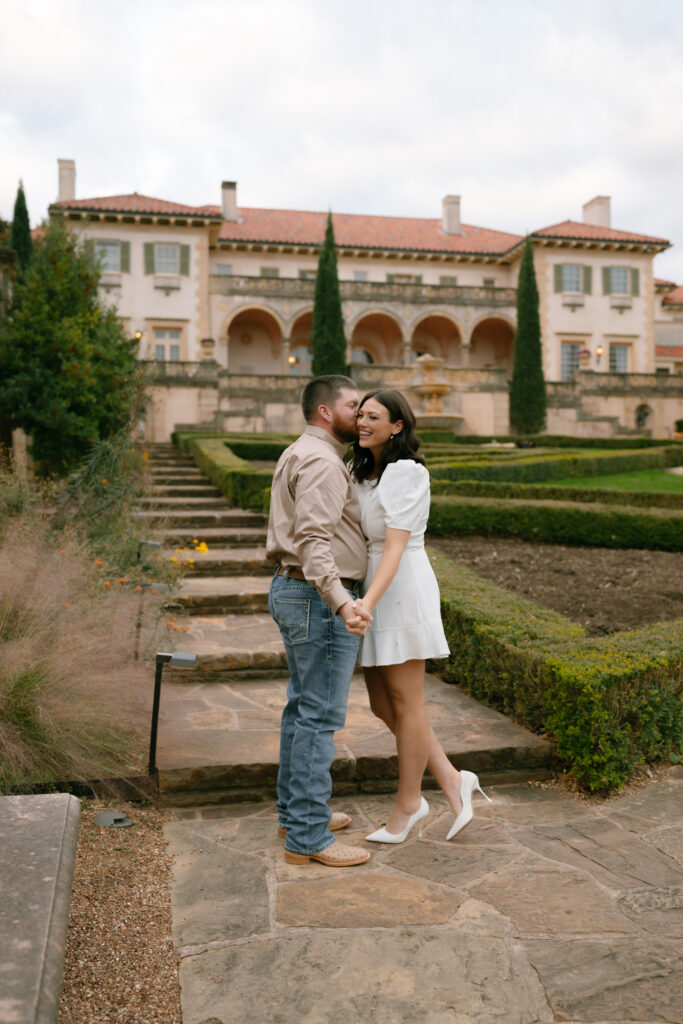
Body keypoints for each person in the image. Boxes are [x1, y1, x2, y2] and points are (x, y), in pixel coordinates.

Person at [349, 388, 491, 844]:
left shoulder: (406, 472)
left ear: (398, 427)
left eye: (375, 416)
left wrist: (367, 602)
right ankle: (452, 778)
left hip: (400, 585)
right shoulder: (366, 471)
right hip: (376, 581)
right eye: (361, 415)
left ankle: (409, 804)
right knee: (382, 704)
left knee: (409, 703)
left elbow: (394, 545)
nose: (363, 422)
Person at [266, 374, 373, 867]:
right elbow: (313, 540)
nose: (362, 412)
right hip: (316, 597)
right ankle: (308, 838)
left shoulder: (299, 451)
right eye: (354, 405)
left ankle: (297, 812)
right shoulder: (324, 461)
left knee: (301, 710)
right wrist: (341, 601)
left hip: (295, 591)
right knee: (319, 717)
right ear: (327, 412)